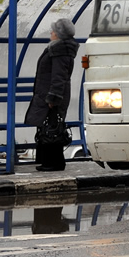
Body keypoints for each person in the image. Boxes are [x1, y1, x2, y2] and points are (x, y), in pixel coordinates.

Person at [25, 17, 79, 171]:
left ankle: (55, 163)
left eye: (53, 31)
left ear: (59, 34)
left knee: (53, 129)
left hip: (53, 97)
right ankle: (48, 162)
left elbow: (59, 77)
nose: (51, 33)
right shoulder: (58, 49)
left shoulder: (59, 51)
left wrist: (53, 98)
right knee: (49, 127)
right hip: (48, 94)